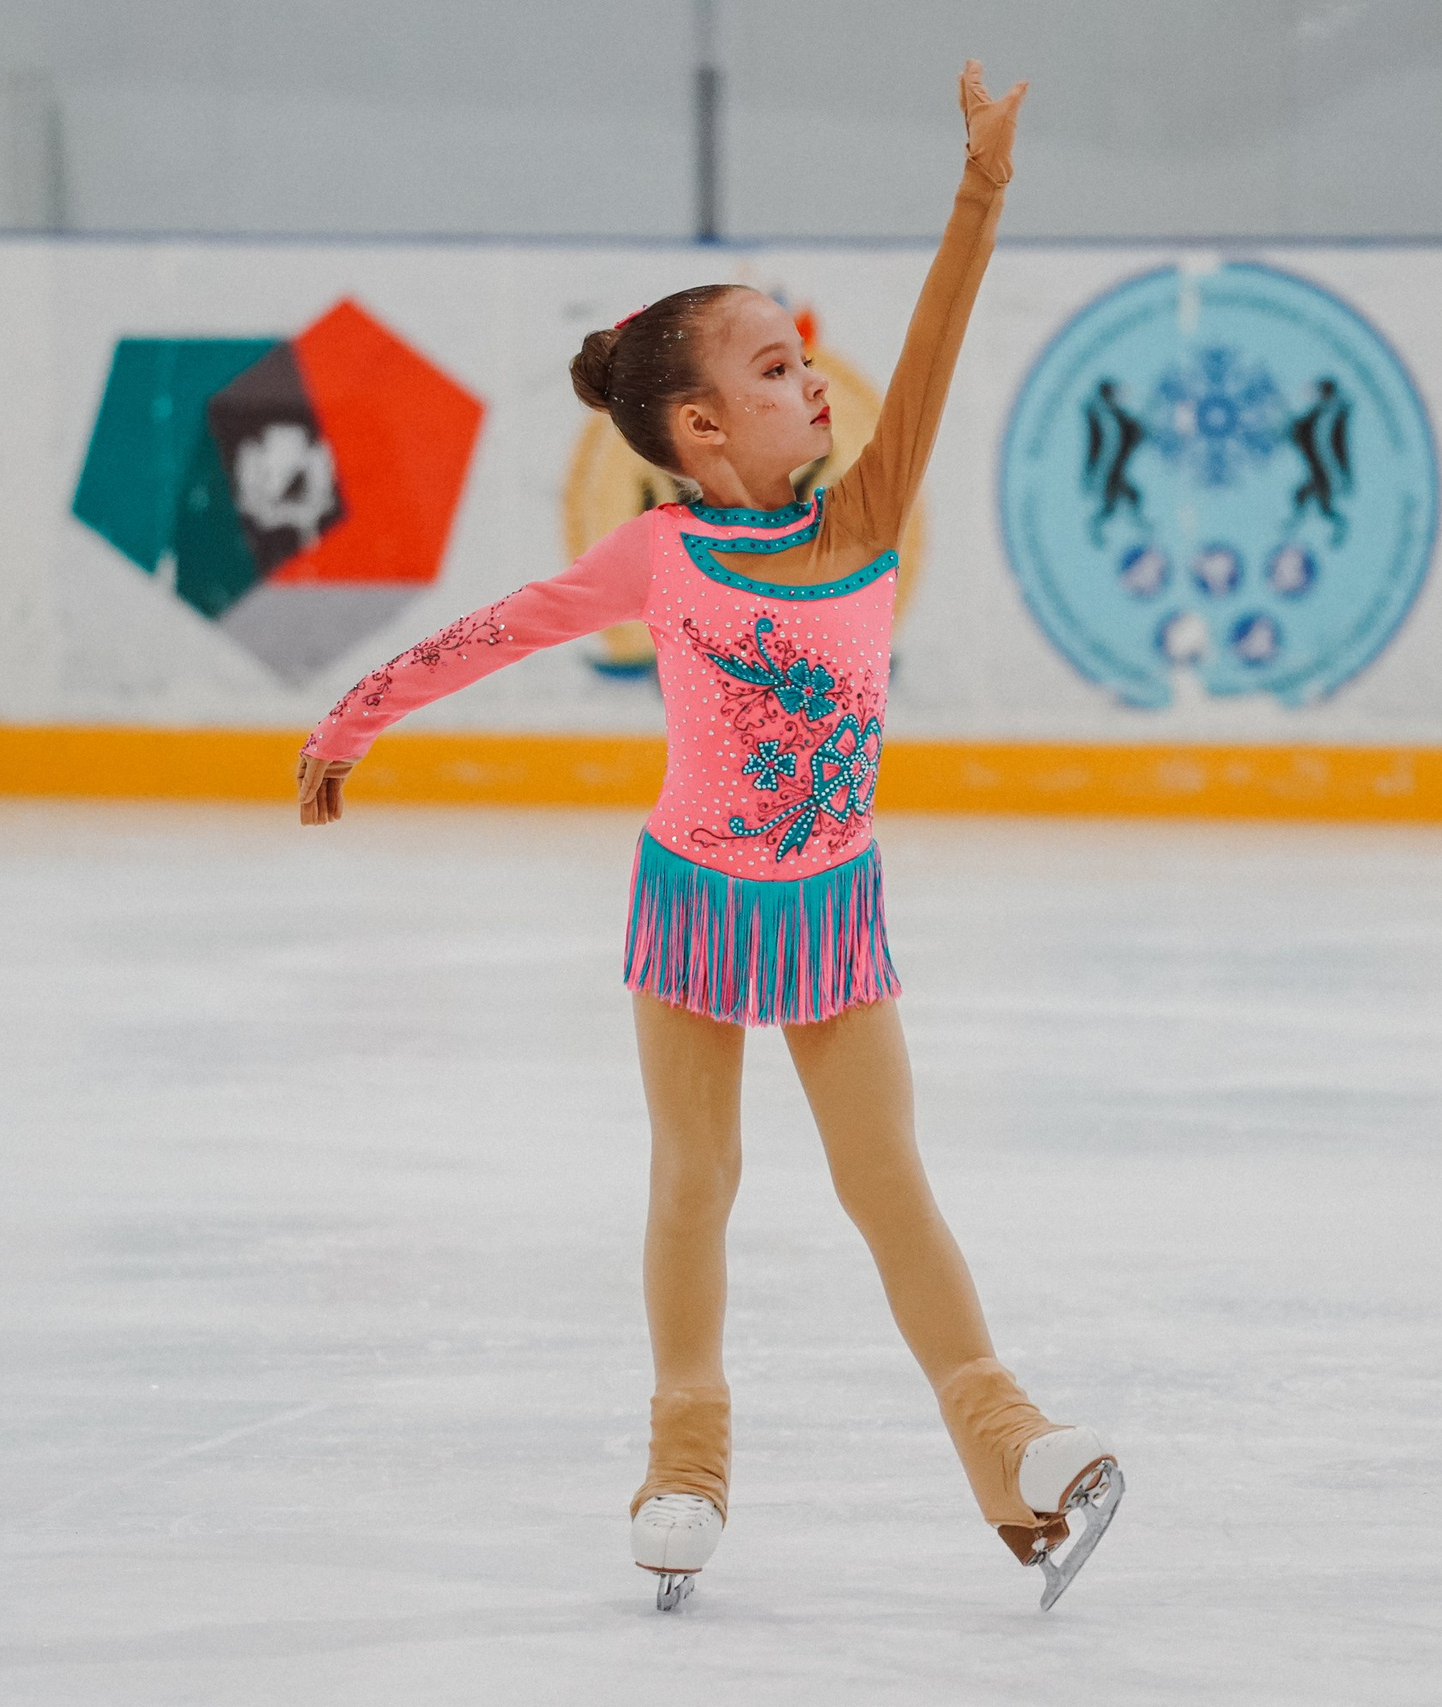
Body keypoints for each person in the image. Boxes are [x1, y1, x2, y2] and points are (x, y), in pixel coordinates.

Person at [295, 62, 1121, 1613]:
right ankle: (686, 1460)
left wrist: (983, 183)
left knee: (888, 1181)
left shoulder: (868, 514)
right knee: (699, 1178)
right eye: (773, 366)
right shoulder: (655, 556)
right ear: (697, 425)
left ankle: (1005, 1441)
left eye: (800, 356)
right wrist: (350, 726)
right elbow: (491, 633)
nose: (815, 379)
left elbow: (938, 334)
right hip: (694, 905)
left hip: (830, 910)